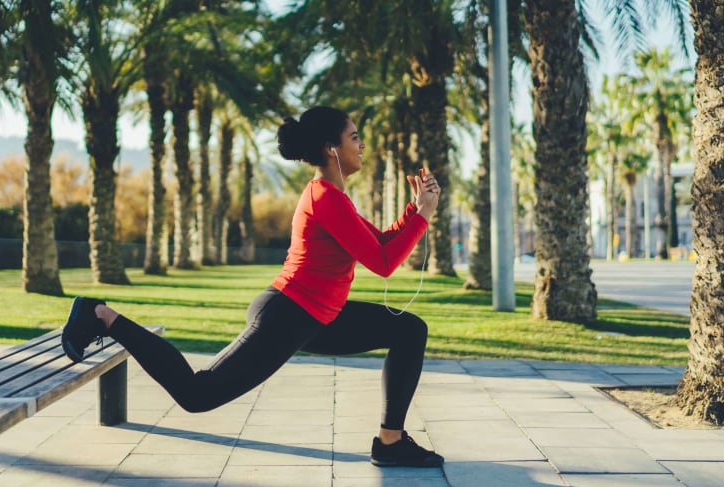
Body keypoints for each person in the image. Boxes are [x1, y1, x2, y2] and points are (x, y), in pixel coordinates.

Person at [60, 106, 444, 468]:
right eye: (354, 136)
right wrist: (423, 215)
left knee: (409, 329)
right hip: (289, 315)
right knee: (198, 394)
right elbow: (384, 263)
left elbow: (379, 245)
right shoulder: (325, 198)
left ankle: (390, 443)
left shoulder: (335, 197)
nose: (361, 145)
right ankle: (102, 316)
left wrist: (415, 209)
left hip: (318, 315)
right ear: (332, 148)